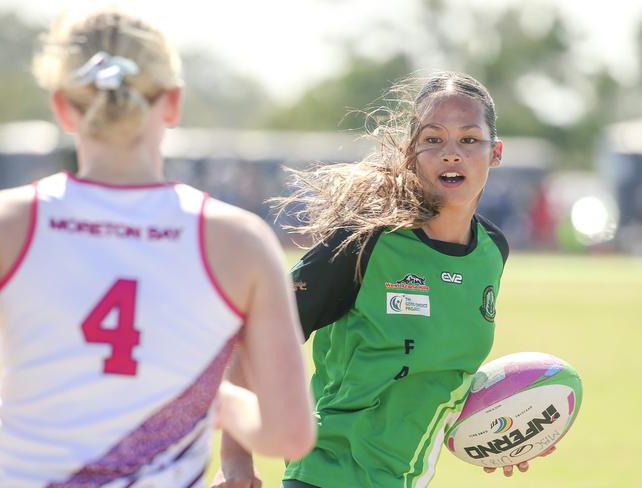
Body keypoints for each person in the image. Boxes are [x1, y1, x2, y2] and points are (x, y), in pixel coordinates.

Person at [0, 8, 314, 487]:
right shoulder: (239, 240)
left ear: (62, 107)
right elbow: (288, 435)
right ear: (172, 103)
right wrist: (217, 399)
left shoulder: (8, 221)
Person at [214, 71, 555, 488]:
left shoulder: (491, 251)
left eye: (469, 139)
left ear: (495, 152)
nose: (452, 153)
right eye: (433, 139)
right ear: (411, 151)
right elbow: (253, 337)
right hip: (327, 477)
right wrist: (235, 461)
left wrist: (497, 430)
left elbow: (432, 376)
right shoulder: (367, 244)